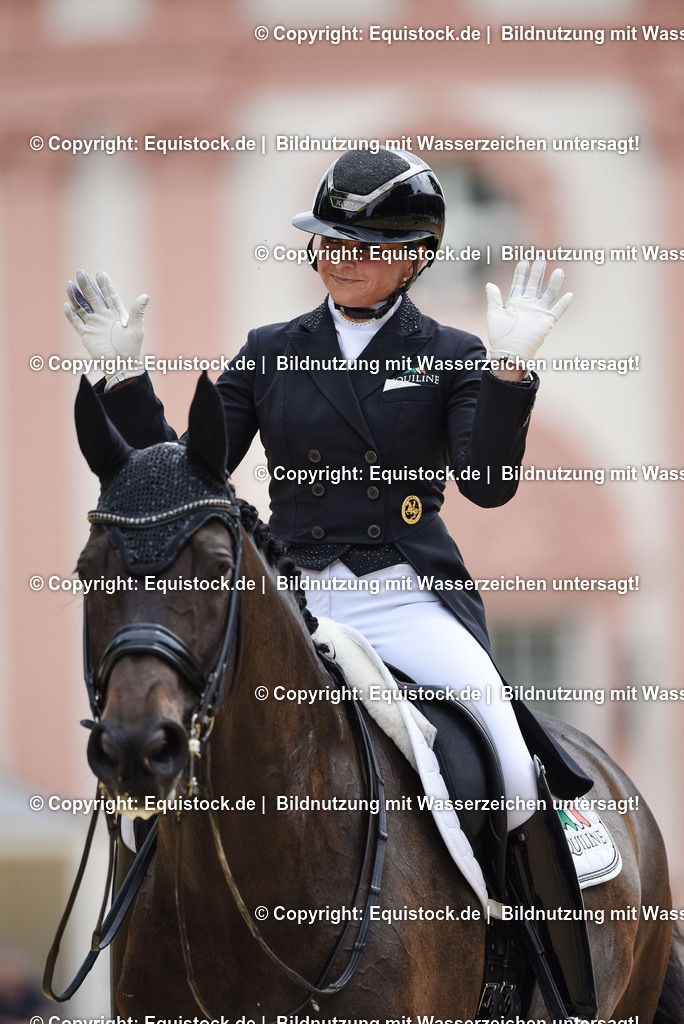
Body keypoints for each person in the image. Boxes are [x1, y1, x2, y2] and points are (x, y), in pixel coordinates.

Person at [64, 148, 595, 1018]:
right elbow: (190, 475)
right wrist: (125, 383)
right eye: (327, 242)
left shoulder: (449, 355)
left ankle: (535, 974)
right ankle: (157, 949)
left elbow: (490, 481)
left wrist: (507, 377)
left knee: (509, 763)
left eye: (361, 244)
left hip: (406, 597)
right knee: (171, 740)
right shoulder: (271, 352)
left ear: (416, 256)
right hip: (297, 595)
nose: (338, 258)